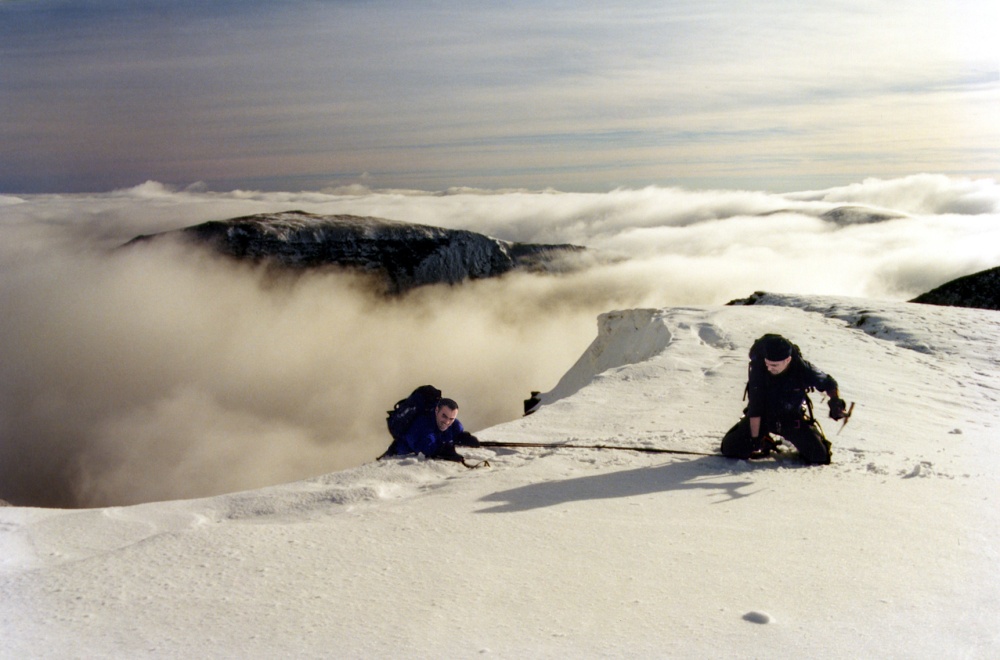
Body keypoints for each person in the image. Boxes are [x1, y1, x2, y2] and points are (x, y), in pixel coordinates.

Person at [721, 334, 848, 465]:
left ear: (787, 360)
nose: (770, 368)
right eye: (768, 364)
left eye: (774, 365)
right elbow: (755, 407)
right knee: (731, 449)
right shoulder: (759, 370)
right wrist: (754, 438)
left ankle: (812, 434)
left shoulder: (803, 369)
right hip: (762, 416)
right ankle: (763, 439)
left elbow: (829, 383)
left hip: (791, 418)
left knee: (819, 456)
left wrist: (835, 402)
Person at [390, 397, 480, 462]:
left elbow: (455, 432)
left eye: (451, 418)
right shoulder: (423, 423)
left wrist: (463, 438)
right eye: (444, 416)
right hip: (397, 459)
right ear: (437, 410)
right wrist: (441, 450)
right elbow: (424, 445)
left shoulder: (452, 423)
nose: (447, 422)